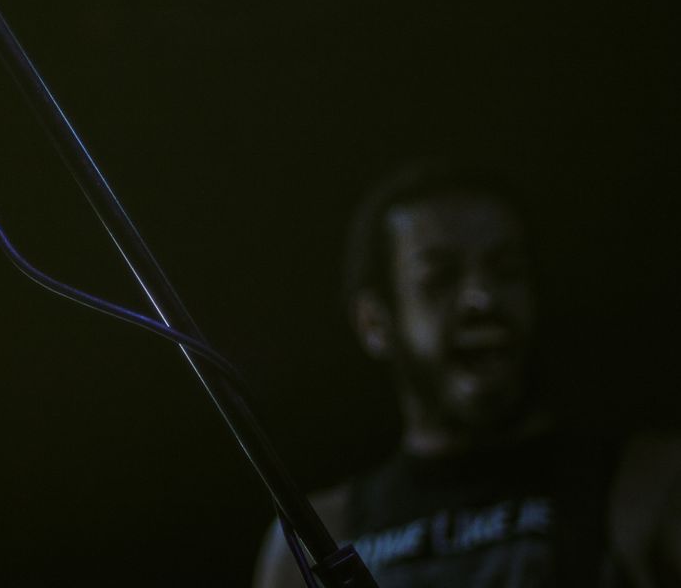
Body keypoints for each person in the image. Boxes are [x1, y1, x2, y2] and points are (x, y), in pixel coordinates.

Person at [251, 161, 678, 588]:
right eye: (439, 279)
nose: (482, 298)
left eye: (506, 270)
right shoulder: (315, 538)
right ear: (374, 323)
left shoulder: (649, 486)